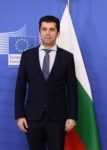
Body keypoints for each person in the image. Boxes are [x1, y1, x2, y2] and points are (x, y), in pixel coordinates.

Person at [14, 15, 78, 150]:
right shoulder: (27, 56)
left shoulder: (67, 57)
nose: (47, 33)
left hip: (58, 118)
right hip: (33, 118)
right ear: (39, 32)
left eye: (51, 29)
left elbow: (72, 89)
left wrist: (72, 116)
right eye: (44, 29)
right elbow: (20, 88)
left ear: (58, 33)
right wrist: (20, 115)